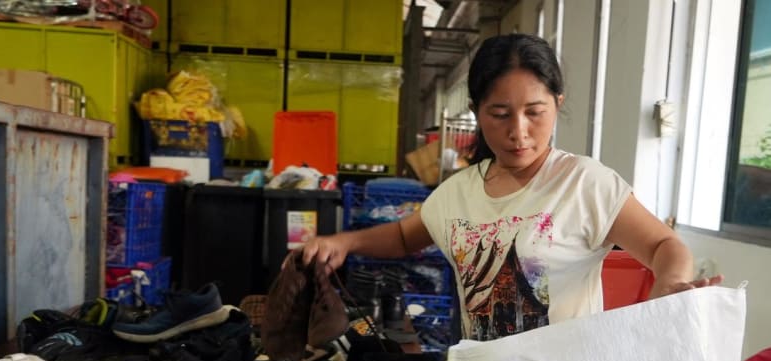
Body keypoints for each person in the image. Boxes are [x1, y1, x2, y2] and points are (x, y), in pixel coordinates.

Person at [299, 33, 723, 341]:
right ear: (477, 112)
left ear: (557, 103)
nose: (518, 131)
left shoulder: (583, 183)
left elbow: (664, 245)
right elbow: (403, 235)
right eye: (500, 113)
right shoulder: (459, 191)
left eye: (534, 112)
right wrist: (344, 242)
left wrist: (670, 284)